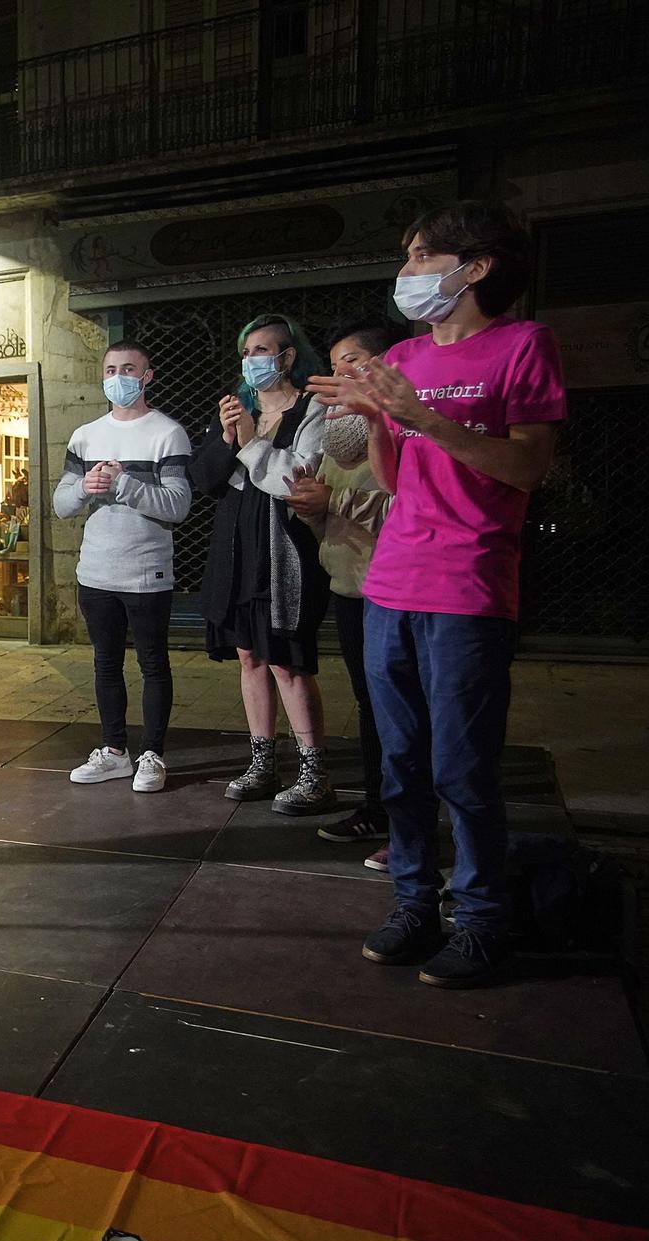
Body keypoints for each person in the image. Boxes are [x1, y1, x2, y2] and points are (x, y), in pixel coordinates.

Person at [311, 199, 567, 989]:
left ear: (477, 266)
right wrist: (381, 421)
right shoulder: (409, 357)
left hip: (469, 582)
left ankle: (484, 918)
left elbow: (529, 468)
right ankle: (414, 902)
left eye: (423, 255)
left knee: (464, 764)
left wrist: (420, 415)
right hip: (392, 580)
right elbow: (394, 480)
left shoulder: (523, 344)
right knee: (400, 764)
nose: (409, 271)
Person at [191, 313, 337, 816]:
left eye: (263, 350)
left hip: (283, 551)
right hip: (235, 549)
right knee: (249, 656)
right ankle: (262, 761)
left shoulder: (313, 409)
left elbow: (297, 478)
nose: (253, 361)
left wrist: (252, 442)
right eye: (247, 352)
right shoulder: (238, 410)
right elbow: (204, 479)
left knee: (286, 659)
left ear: (288, 356)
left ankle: (314, 771)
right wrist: (230, 438)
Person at [288, 319, 404, 872]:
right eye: (334, 368)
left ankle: (409, 826)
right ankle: (378, 809)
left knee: (401, 710)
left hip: (396, 585)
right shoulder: (339, 436)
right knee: (369, 705)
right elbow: (332, 515)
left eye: (353, 362)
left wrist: (331, 498)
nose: (341, 377)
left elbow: (404, 509)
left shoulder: (404, 428)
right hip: (349, 583)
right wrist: (312, 510)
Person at [52, 340, 193, 793]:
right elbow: (60, 503)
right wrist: (85, 488)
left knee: (153, 662)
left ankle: (152, 753)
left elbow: (177, 505)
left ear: (147, 376)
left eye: (128, 368)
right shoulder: (85, 434)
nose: (118, 377)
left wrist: (126, 482)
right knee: (105, 663)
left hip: (147, 570)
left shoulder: (167, 433)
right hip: (96, 570)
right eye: (111, 368)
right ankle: (114, 750)